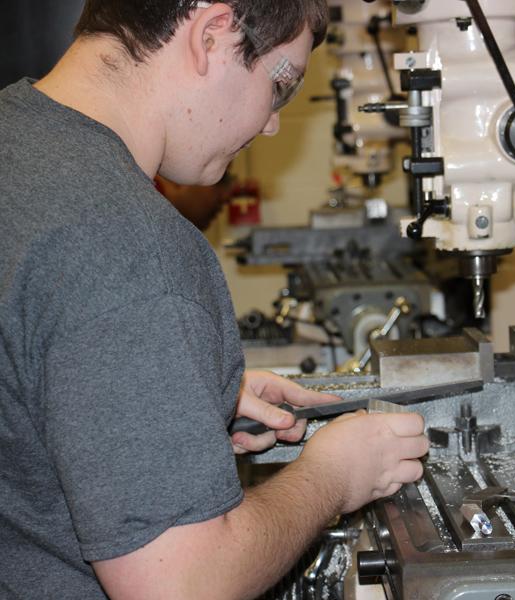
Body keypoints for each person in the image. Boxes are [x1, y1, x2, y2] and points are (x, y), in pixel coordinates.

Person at [0, 2, 429, 599]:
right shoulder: (128, 244)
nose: (273, 123)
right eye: (280, 84)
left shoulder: (14, 137)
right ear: (212, 34)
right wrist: (335, 476)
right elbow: (181, 587)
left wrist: (184, 387)